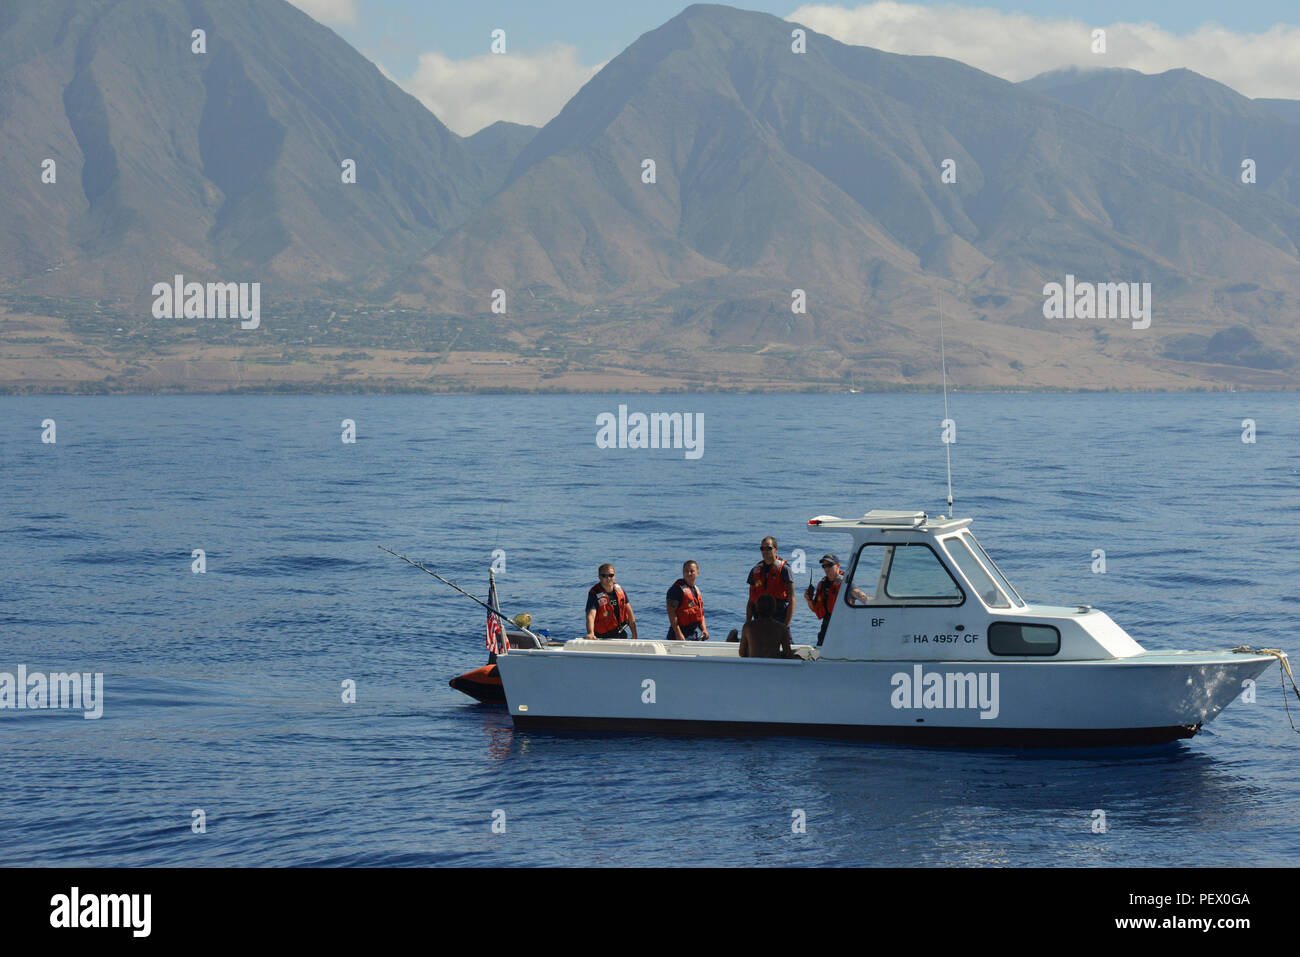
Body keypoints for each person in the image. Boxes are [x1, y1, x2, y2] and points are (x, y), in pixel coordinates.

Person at [746, 536, 794, 627]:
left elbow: (792, 599)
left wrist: (786, 626)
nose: (765, 551)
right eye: (762, 548)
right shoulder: (755, 570)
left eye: (768, 548)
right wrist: (748, 624)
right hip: (759, 618)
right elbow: (750, 601)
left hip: (779, 618)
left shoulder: (784, 570)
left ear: (776, 549)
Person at [585, 564, 637, 640]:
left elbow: (630, 614)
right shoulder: (595, 594)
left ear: (614, 576)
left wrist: (634, 635)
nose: (608, 578)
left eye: (611, 575)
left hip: (620, 634)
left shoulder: (620, 591)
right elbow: (591, 615)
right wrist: (591, 633)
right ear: (599, 577)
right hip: (602, 637)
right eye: (604, 576)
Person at [739, 594, 798, 659]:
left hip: (754, 666)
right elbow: (788, 654)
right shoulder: (782, 628)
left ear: (757, 608)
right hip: (773, 666)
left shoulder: (748, 627)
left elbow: (742, 653)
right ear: (774, 609)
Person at [805, 553, 843, 646]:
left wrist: (868, 600)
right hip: (826, 624)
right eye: (824, 566)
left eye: (829, 565)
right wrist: (809, 600)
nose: (826, 569)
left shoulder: (845, 582)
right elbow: (815, 609)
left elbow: (857, 593)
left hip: (842, 624)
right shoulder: (822, 584)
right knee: (820, 650)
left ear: (838, 566)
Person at [666, 561, 709, 641]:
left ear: (697, 573)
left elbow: (700, 613)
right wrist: (678, 634)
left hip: (692, 634)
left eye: (692, 571)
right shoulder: (676, 590)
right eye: (686, 571)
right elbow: (671, 613)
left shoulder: (696, 590)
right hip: (679, 634)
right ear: (683, 572)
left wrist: (704, 629)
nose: (689, 573)